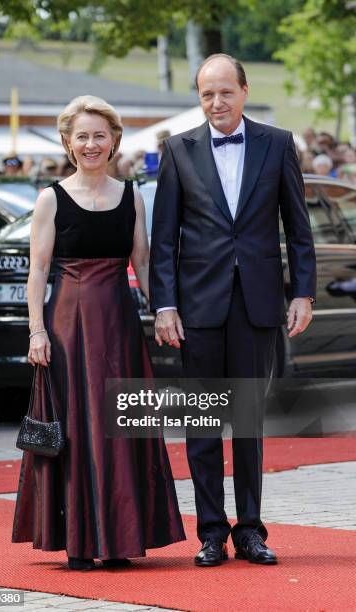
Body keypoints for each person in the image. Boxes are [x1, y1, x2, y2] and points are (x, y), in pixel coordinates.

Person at [150, 54, 316, 567]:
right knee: (202, 423)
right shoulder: (177, 150)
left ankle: (250, 531)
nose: (216, 102)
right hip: (197, 308)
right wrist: (165, 305)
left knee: (247, 423)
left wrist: (303, 292)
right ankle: (210, 533)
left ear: (244, 90)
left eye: (225, 92)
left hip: (258, 304)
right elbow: (164, 239)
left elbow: (298, 226)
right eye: (206, 94)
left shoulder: (278, 143)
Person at [12, 95, 185, 570]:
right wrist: (36, 332)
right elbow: (38, 270)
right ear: (68, 143)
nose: (91, 144)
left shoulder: (132, 197)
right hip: (67, 326)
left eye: (99, 135)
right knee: (76, 427)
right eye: (81, 136)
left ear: (114, 141)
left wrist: (164, 311)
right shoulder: (51, 198)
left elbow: (143, 263)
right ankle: (80, 539)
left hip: (119, 325)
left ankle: (119, 536)